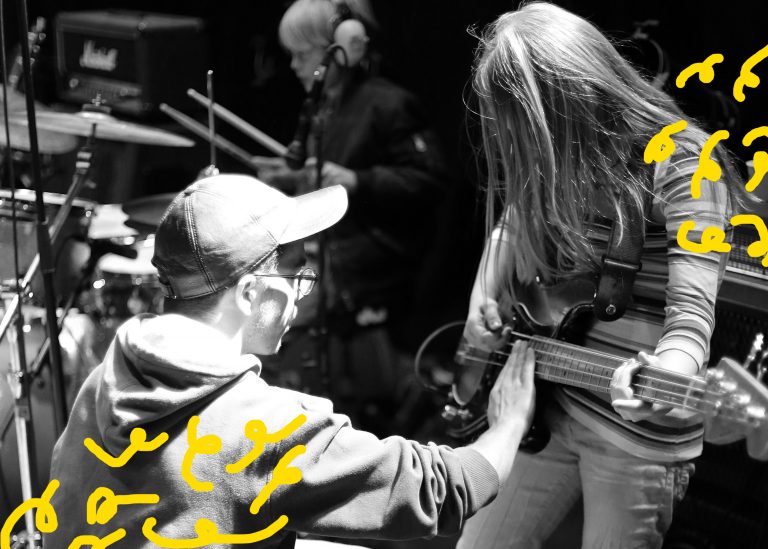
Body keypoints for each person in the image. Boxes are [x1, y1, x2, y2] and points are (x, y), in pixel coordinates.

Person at [41, 174, 535, 548]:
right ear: (249, 293)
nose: (302, 291)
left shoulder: (107, 376)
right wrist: (509, 424)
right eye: (296, 274)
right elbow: (437, 491)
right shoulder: (266, 428)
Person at [456, 3, 746, 548]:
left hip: (635, 438)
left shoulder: (686, 164)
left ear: (575, 99)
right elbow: (512, 220)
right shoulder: (560, 157)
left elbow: (691, 320)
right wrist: (482, 297)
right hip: (545, 404)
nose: (523, 150)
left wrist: (663, 378)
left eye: (530, 131)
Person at [252, 0, 447, 432]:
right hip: (331, 248)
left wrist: (358, 180)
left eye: (302, 54)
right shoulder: (323, 108)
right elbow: (321, 178)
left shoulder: (388, 104)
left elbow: (430, 181)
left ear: (338, 51)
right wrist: (291, 176)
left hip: (369, 255)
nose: (294, 66)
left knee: (267, 315)